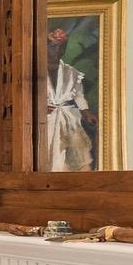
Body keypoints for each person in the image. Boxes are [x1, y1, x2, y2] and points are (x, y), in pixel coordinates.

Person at [44, 28, 96, 172]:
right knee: (49, 153)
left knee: (76, 153)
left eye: (61, 48)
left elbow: (78, 95)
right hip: (46, 119)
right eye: (53, 47)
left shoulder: (71, 72)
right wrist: (37, 107)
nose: (57, 51)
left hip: (68, 118)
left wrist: (85, 111)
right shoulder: (34, 71)